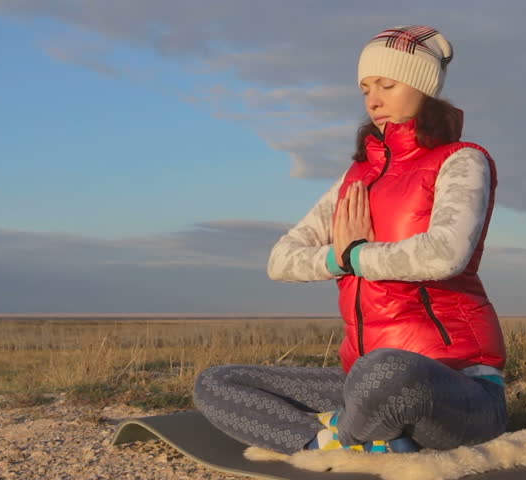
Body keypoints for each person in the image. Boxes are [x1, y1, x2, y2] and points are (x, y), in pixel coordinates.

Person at [193, 25, 507, 455]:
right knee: (218, 382)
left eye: (387, 84)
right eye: (365, 89)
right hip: (359, 380)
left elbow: (445, 254)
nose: (373, 100)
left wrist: (359, 254)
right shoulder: (354, 177)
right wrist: (339, 259)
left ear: (421, 86)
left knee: (388, 369)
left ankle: (348, 432)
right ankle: (331, 441)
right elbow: (280, 260)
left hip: (453, 386)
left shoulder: (462, 161)